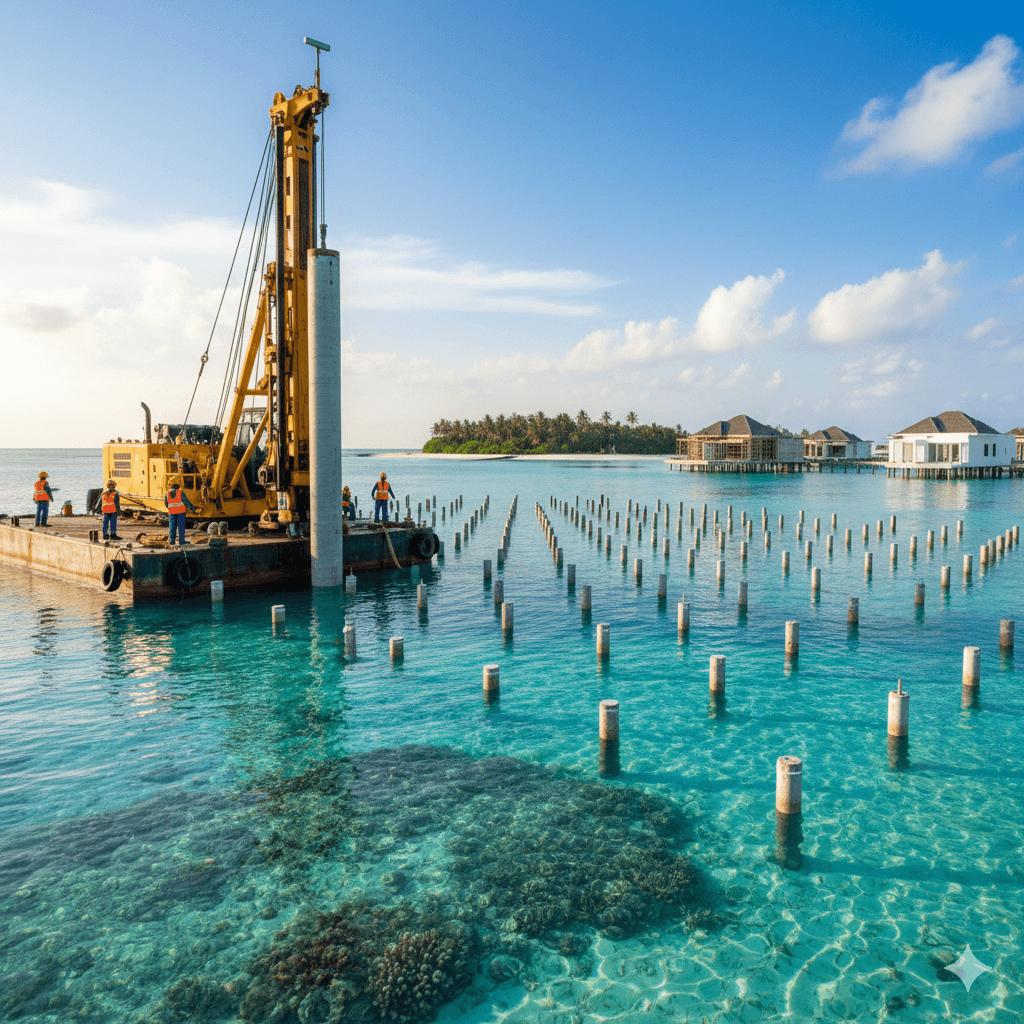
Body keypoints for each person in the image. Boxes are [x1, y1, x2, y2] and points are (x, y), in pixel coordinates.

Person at [164, 476, 198, 545]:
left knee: (172, 526)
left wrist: (170, 508)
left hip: (172, 513)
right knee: (181, 526)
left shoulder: (167, 493)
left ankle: (172, 541)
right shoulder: (180, 492)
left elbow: (166, 503)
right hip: (180, 512)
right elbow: (186, 502)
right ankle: (181, 541)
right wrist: (193, 509)